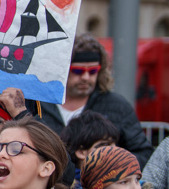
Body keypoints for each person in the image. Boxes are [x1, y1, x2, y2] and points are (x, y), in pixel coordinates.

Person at [37, 34, 151, 163]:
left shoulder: (117, 105)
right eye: (78, 71)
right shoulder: (38, 102)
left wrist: (114, 167)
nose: (86, 77)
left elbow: (143, 152)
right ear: (61, 70)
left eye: (93, 71)